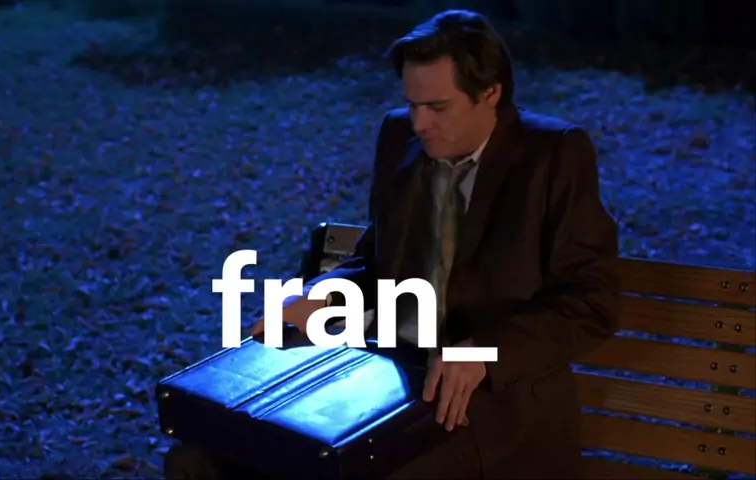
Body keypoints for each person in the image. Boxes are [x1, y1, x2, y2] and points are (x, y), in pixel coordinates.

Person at [165, 8, 620, 480]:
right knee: (195, 462)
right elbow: (376, 262)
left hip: (493, 410)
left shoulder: (552, 155)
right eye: (413, 103)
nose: (420, 123)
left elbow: (592, 301)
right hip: (385, 384)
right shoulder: (399, 135)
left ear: (490, 93)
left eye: (437, 107)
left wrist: (484, 351)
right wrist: (321, 296)